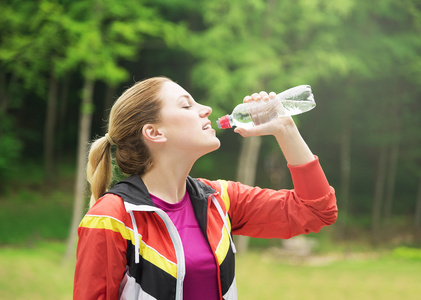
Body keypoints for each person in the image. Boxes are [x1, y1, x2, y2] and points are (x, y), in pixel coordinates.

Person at [73, 76, 338, 300]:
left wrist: (285, 128)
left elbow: (317, 211)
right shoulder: (112, 217)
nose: (207, 109)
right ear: (154, 133)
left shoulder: (220, 199)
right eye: (187, 105)